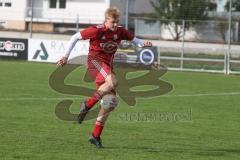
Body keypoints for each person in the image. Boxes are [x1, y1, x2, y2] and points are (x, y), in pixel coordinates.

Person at [57, 6, 152, 148]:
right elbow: (75, 37)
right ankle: (87, 105)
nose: (115, 25)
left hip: (107, 66)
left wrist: (144, 44)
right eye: (113, 22)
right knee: (113, 81)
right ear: (106, 20)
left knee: (110, 102)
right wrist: (65, 56)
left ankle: (95, 136)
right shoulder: (97, 30)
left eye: (117, 22)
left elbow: (135, 40)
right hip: (95, 62)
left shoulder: (120, 31)